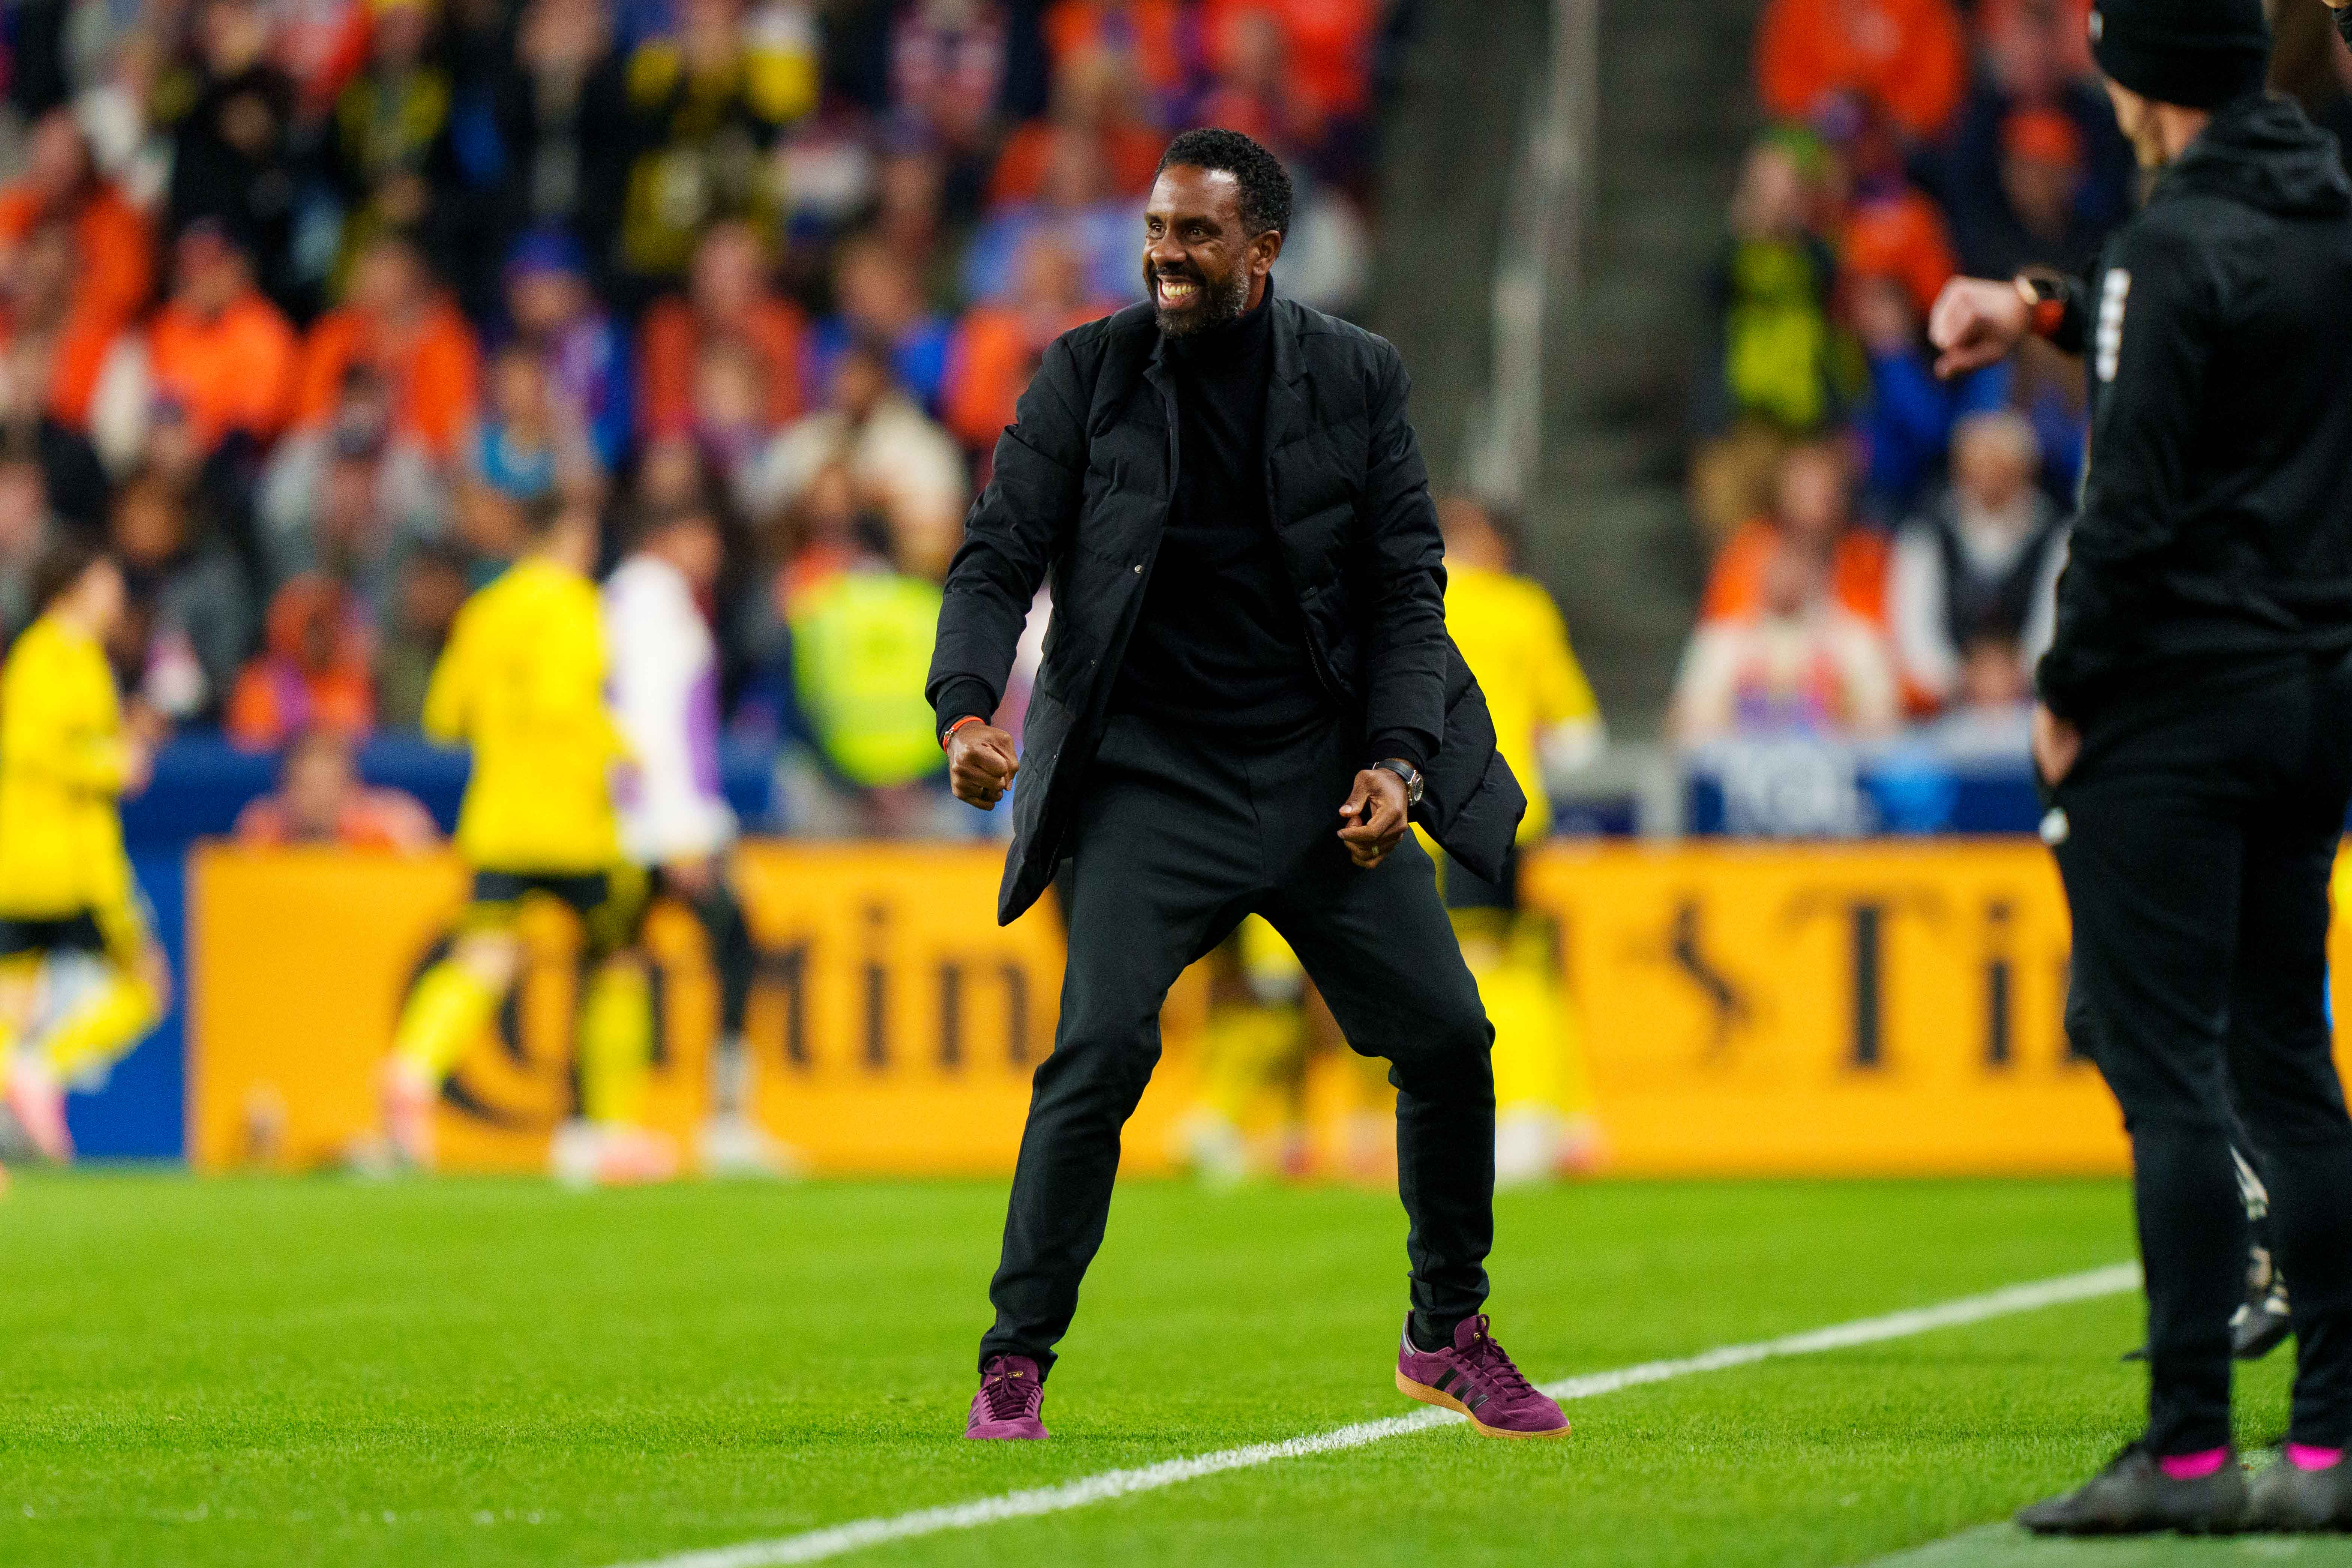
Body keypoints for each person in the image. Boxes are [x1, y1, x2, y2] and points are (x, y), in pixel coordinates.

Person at [929, 129, 1563, 1442]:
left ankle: (1446, 1327)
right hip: (1144, 781)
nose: (1163, 252)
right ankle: (1015, 1357)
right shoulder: (1086, 373)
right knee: (1097, 1050)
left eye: (1194, 233)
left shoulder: (1355, 376)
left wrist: (1396, 760)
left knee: (1449, 1039)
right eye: (1156, 228)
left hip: (1319, 773)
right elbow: (995, 555)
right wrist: (962, 709)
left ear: (1261, 249)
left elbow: (1404, 590)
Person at [1929, 0, 2352, 1533]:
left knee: (2162, 1071)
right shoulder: (2321, 215)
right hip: (2314, 687)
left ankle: (2184, 1452)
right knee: (2287, 1072)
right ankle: (2328, 1448)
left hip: (2172, 701)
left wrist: (2065, 684)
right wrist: (2039, 302)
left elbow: (2133, 500)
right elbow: (2157, 305)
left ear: (2134, 81)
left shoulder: (2174, 247)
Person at [380, 496, 671, 1186]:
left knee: (484, 955)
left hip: (498, 819)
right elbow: (568, 704)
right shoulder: (574, 603)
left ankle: (411, 1070)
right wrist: (628, 753)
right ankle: (609, 1128)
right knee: (618, 956)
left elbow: (444, 715)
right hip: (572, 824)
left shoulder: (483, 610)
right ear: (566, 536)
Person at [603, 501, 791, 1176]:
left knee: (615, 961)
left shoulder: (626, 599)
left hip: (636, 822)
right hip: (658, 827)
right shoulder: (657, 604)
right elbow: (652, 725)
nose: (711, 550)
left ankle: (601, 1122)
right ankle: (725, 1121)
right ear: (669, 536)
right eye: (702, 533)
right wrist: (682, 835)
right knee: (734, 947)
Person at [1433, 497, 1605, 1183]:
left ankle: (1517, 1117)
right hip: (1502, 813)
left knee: (1475, 965)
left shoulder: (1411, 601)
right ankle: (1550, 1114)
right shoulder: (1523, 609)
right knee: (1510, 962)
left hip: (1424, 815)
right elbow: (1578, 736)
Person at [0, 543, 168, 1165]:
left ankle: (27, 1082)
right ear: (71, 586)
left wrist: (125, 739)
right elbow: (32, 750)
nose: (116, 592)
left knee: (12, 1001)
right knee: (147, 984)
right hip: (63, 864)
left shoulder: (75, 657)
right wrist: (114, 762)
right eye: (105, 578)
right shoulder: (48, 655)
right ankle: (43, 1071)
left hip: (35, 860)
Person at [1887, 409, 2066, 712]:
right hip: (1945, 710)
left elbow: (2057, 625)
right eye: (1978, 467)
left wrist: (2020, 674)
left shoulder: (2056, 537)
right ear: (1959, 470)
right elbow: (1912, 632)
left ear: (2026, 470)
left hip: (2033, 705)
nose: (1989, 479)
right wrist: (1960, 678)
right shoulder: (1925, 533)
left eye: (2000, 467)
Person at [233, 725, 439, 850]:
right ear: (285, 788)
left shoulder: (391, 828)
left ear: (352, 788)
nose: (318, 800)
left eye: (329, 786)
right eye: (307, 786)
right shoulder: (260, 833)